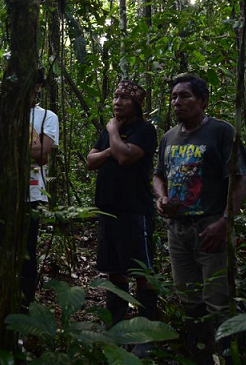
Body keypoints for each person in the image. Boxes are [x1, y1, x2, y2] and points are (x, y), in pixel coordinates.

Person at [154, 74, 246, 360]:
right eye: (173, 97)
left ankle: (226, 355)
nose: (177, 102)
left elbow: (240, 180)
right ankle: (198, 353)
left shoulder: (221, 132)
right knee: (189, 298)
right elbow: (159, 175)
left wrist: (224, 222)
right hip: (178, 230)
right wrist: (161, 198)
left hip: (210, 227)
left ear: (203, 101)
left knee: (218, 301)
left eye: (184, 96)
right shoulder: (168, 137)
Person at [86, 79, 158, 355]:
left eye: (124, 99)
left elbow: (127, 157)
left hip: (134, 210)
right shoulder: (111, 131)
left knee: (140, 270)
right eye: (115, 98)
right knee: (114, 269)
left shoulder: (144, 130)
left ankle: (146, 331)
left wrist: (113, 132)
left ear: (137, 105)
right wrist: (112, 146)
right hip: (107, 209)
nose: (117, 102)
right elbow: (91, 161)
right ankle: (115, 327)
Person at [0, 71, 58, 307]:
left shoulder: (47, 117)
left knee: (27, 250)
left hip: (32, 193)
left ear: (37, 87)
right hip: (2, 190)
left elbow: (42, 152)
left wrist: (3, 142)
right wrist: (26, 145)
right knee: (1, 247)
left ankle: (25, 303)